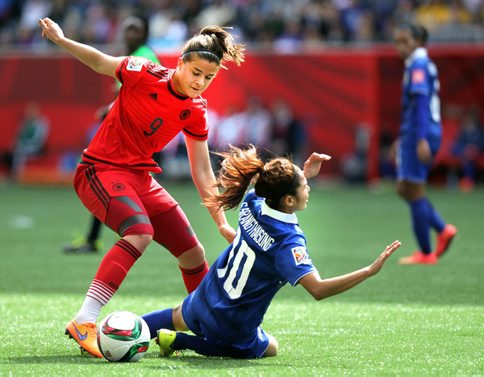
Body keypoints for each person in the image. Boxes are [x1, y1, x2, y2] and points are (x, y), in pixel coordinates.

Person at [38, 17, 244, 358]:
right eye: (195, 73)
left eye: (208, 78)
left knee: (193, 254)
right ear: (180, 64)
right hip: (99, 169)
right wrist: (61, 40)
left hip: (140, 178)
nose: (200, 82)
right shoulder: (143, 72)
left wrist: (220, 221)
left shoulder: (195, 111)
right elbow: (99, 61)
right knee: (139, 232)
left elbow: (203, 171)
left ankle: (211, 325)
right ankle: (85, 320)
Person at [141, 145, 402, 359]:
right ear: (288, 200)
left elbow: (272, 186)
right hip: (232, 322)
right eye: (304, 186)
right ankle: (182, 342)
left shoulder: (253, 200)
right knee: (271, 347)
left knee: (177, 315)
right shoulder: (288, 242)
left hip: (206, 296)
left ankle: (127, 327)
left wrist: (302, 173)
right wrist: (369, 271)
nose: (308, 189)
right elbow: (318, 290)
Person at [63, 15, 161, 254]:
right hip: (132, 134)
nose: (130, 33)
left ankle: (131, 234)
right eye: (127, 29)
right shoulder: (138, 55)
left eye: (135, 29)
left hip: (133, 137)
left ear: (145, 33)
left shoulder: (142, 56)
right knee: (111, 182)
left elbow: (136, 95)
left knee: (104, 179)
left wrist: (107, 110)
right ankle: (97, 238)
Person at [392, 22, 457, 265]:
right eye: (396, 42)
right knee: (403, 188)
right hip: (416, 132)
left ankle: (426, 252)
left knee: (413, 189)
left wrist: (419, 139)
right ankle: (442, 229)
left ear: (418, 42)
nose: (399, 47)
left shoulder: (418, 66)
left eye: (405, 41)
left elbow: (420, 105)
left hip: (420, 133)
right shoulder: (420, 64)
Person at [3, 102, 49, 181]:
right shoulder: (24, 122)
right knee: (8, 154)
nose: (30, 113)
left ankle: (17, 176)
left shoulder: (42, 123)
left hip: (36, 147)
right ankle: (12, 174)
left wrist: (23, 146)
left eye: (32, 111)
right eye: (28, 111)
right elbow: (18, 136)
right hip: (23, 146)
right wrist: (14, 145)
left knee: (19, 153)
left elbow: (39, 139)